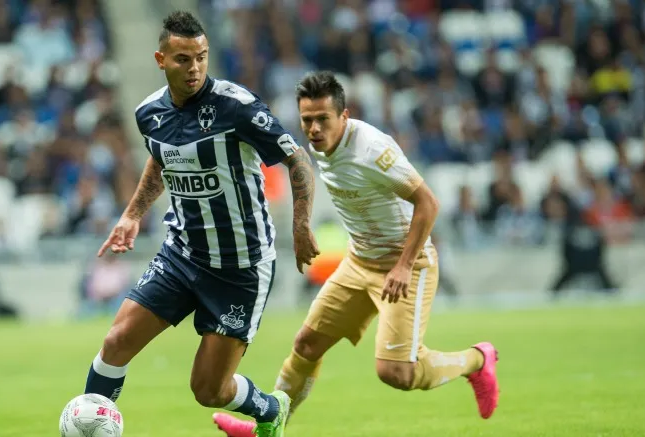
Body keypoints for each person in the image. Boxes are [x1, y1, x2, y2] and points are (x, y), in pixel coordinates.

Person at [214, 72, 499, 436]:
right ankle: (266, 427)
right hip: (360, 261)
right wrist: (301, 228)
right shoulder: (318, 148)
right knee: (306, 344)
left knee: (396, 373)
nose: (314, 129)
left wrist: (403, 266)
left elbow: (428, 203)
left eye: (322, 119)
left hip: (406, 265)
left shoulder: (372, 150)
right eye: (307, 120)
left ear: (344, 117)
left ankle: (477, 360)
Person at [83, 11, 319, 437]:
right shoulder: (148, 113)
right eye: (182, 59)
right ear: (160, 59)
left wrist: (300, 228)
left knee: (208, 389)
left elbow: (298, 162)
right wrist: (133, 214)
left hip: (240, 267)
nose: (194, 68)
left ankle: (270, 409)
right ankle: (91, 429)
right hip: (182, 253)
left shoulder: (237, 107)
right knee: (115, 343)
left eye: (201, 57)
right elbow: (160, 158)